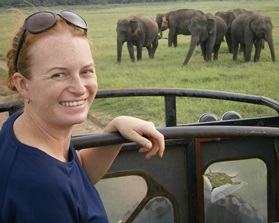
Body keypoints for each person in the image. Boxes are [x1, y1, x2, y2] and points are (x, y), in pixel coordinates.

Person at [0, 10, 165, 222]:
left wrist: (114, 127)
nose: (79, 88)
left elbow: (76, 175)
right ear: (23, 85)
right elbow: (57, 185)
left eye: (86, 71)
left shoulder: (22, 129)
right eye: (58, 74)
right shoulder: (41, 190)